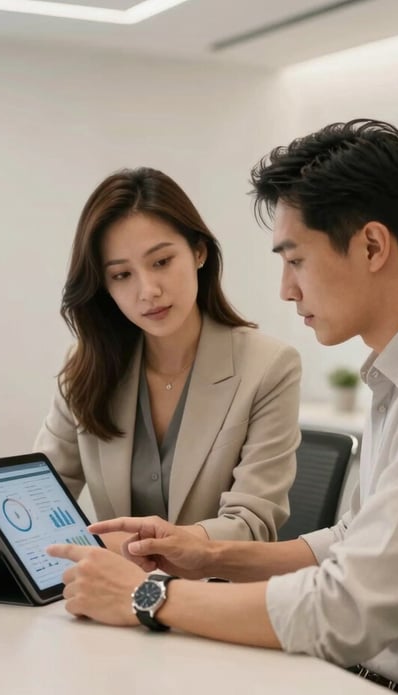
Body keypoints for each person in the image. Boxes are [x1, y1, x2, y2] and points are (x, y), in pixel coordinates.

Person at [47, 121, 398, 695]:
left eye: (295, 259)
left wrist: (147, 596)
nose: (285, 289)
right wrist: (208, 554)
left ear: (373, 246)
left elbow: (347, 609)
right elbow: (358, 537)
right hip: (383, 687)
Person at [34, 167, 301, 552]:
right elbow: (44, 491)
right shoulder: (86, 365)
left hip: (213, 599)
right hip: (108, 600)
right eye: (122, 275)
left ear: (199, 252)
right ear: (103, 287)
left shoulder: (269, 366)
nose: (148, 291)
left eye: (161, 262)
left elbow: (251, 524)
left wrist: (127, 545)